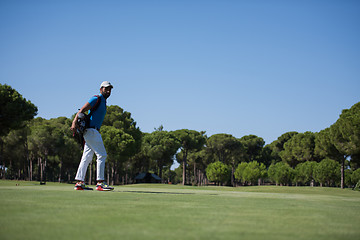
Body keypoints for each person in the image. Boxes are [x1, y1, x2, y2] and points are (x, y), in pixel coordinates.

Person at [71, 81, 114, 191]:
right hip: (92, 131)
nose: (108, 91)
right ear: (101, 89)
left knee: (87, 157)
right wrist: (74, 122)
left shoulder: (103, 101)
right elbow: (81, 110)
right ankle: (100, 183)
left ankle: (79, 183)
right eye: (106, 89)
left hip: (91, 132)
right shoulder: (96, 98)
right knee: (102, 155)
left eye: (110, 89)